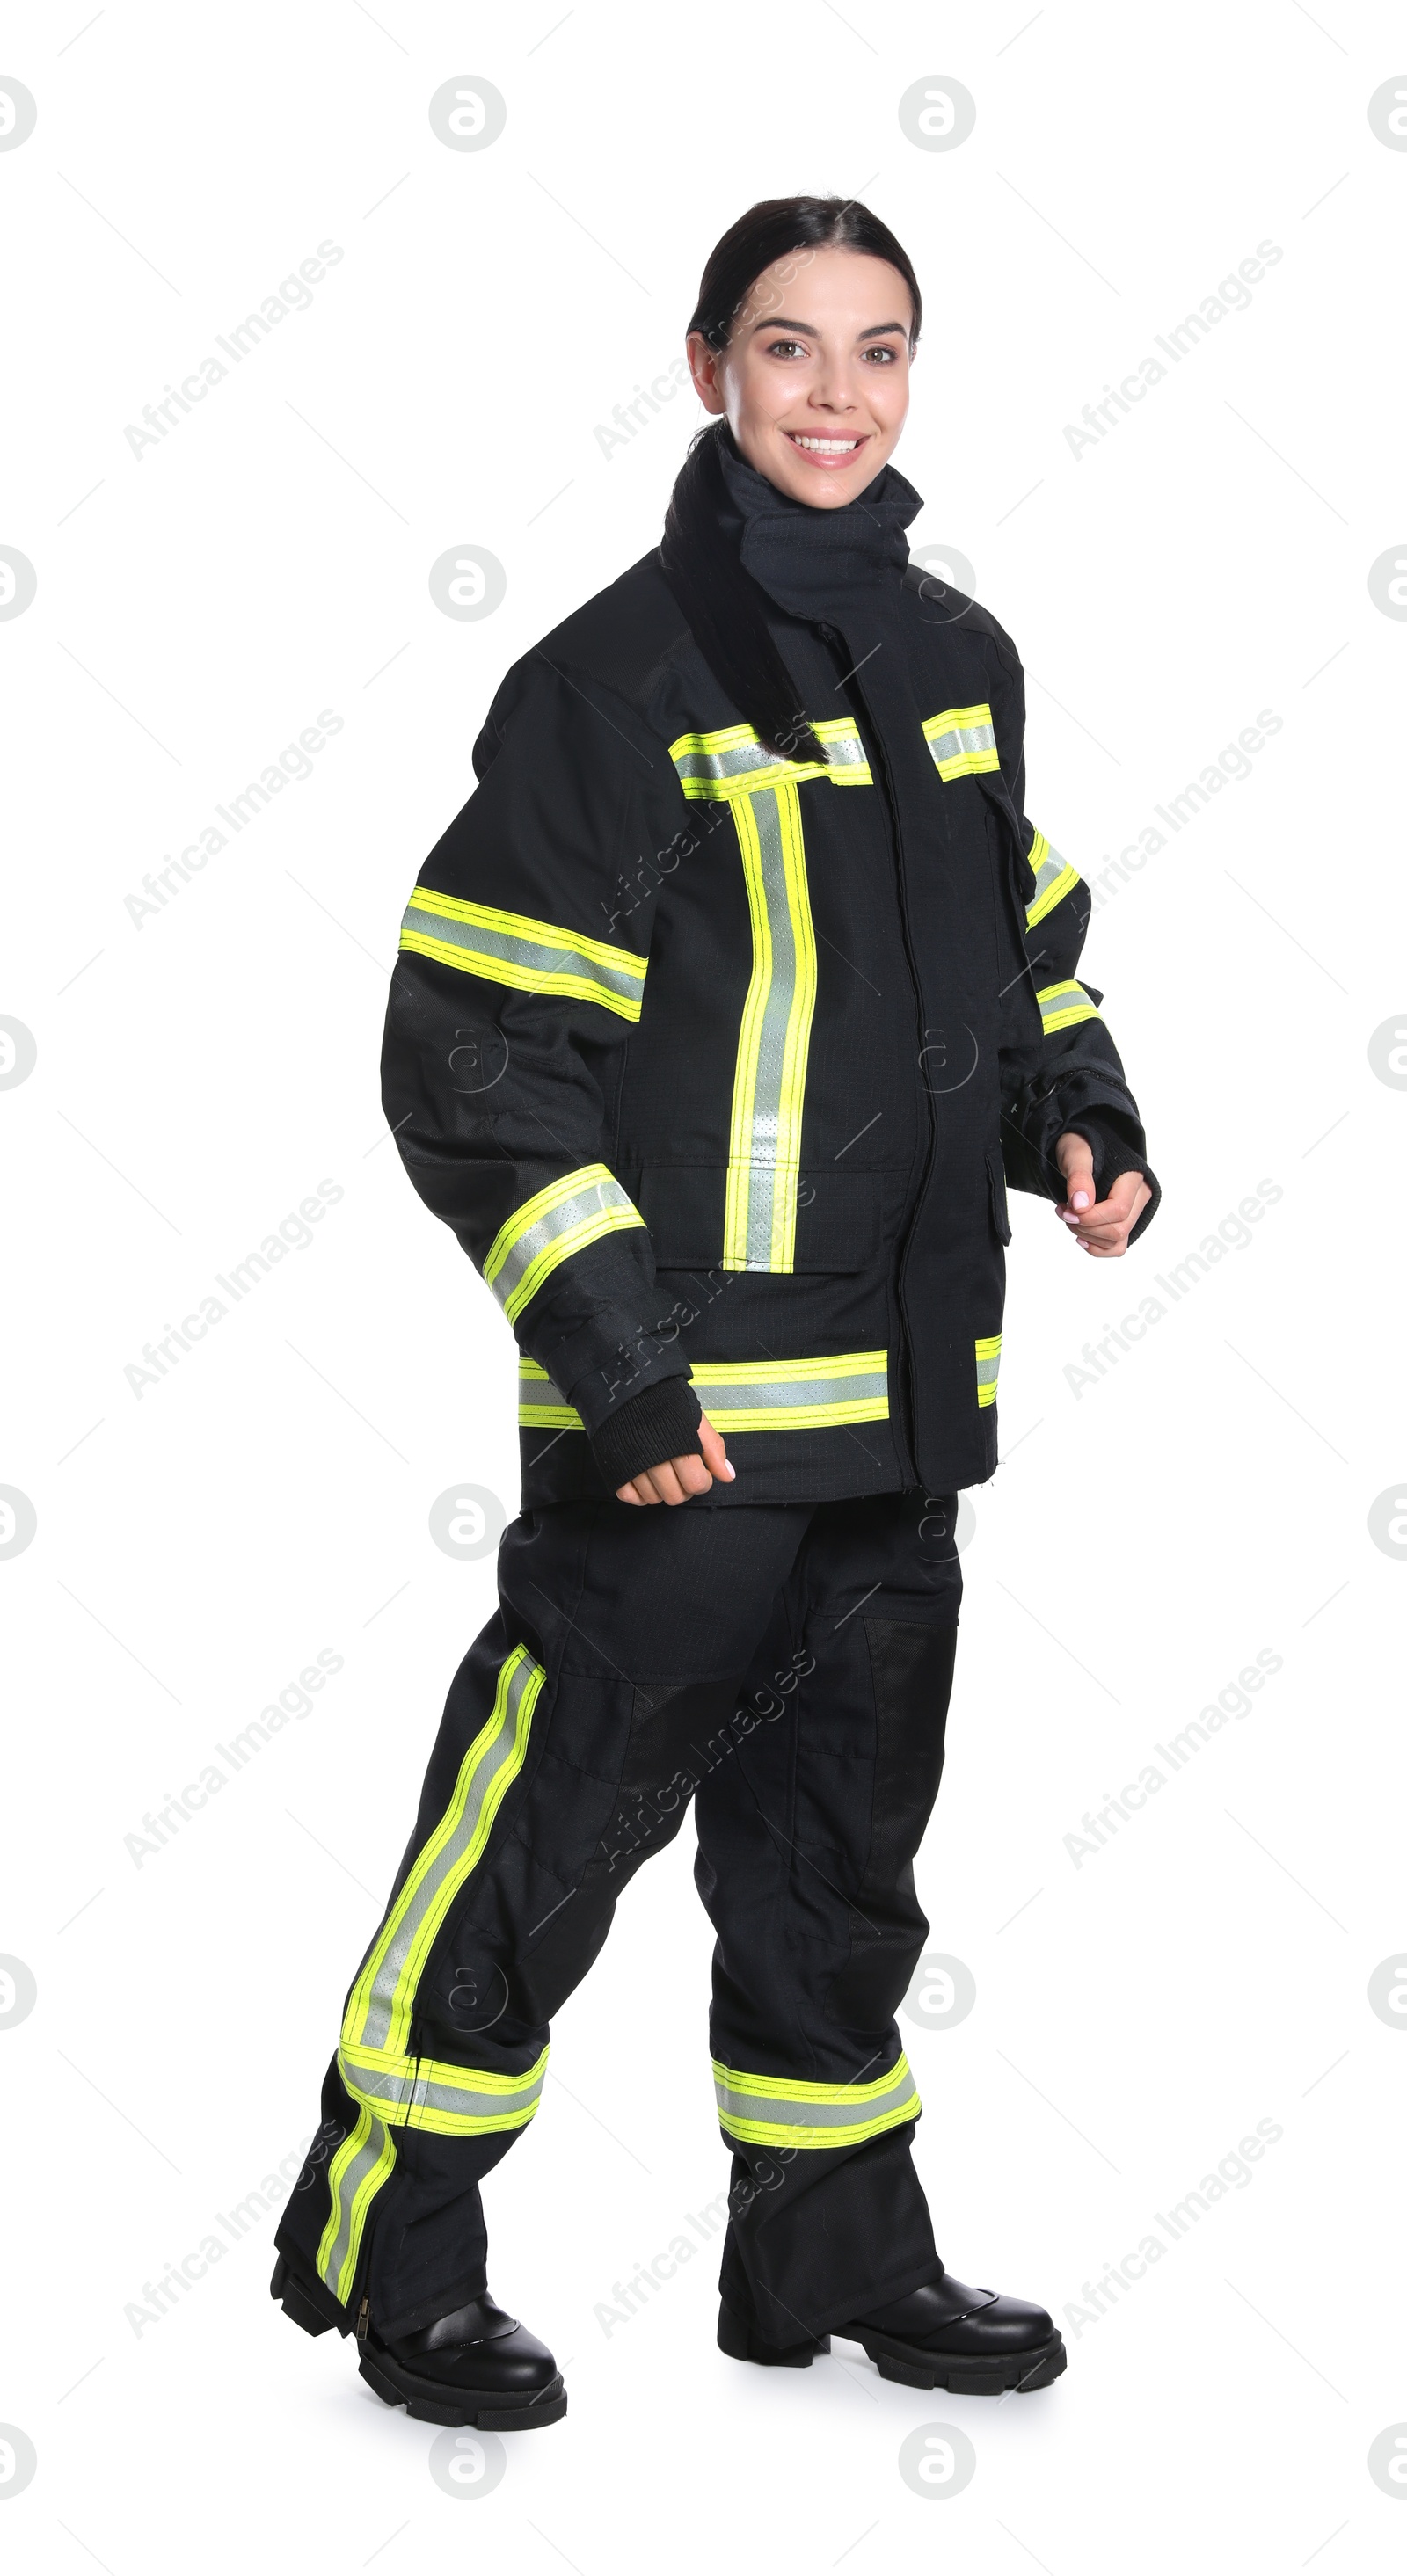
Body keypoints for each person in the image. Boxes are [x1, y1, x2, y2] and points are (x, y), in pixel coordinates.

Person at [271, 194, 1158, 2430]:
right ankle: (394, 2239)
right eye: (787, 349)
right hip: (687, 1419)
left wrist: (1080, 1106)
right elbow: (471, 1044)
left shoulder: (957, 663)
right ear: (706, 373)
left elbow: (1017, 936)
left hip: (908, 1402)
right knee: (547, 1833)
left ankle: (826, 2255)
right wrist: (621, 1366)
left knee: (844, 1854)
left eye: (875, 351)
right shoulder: (616, 679)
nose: (834, 396)